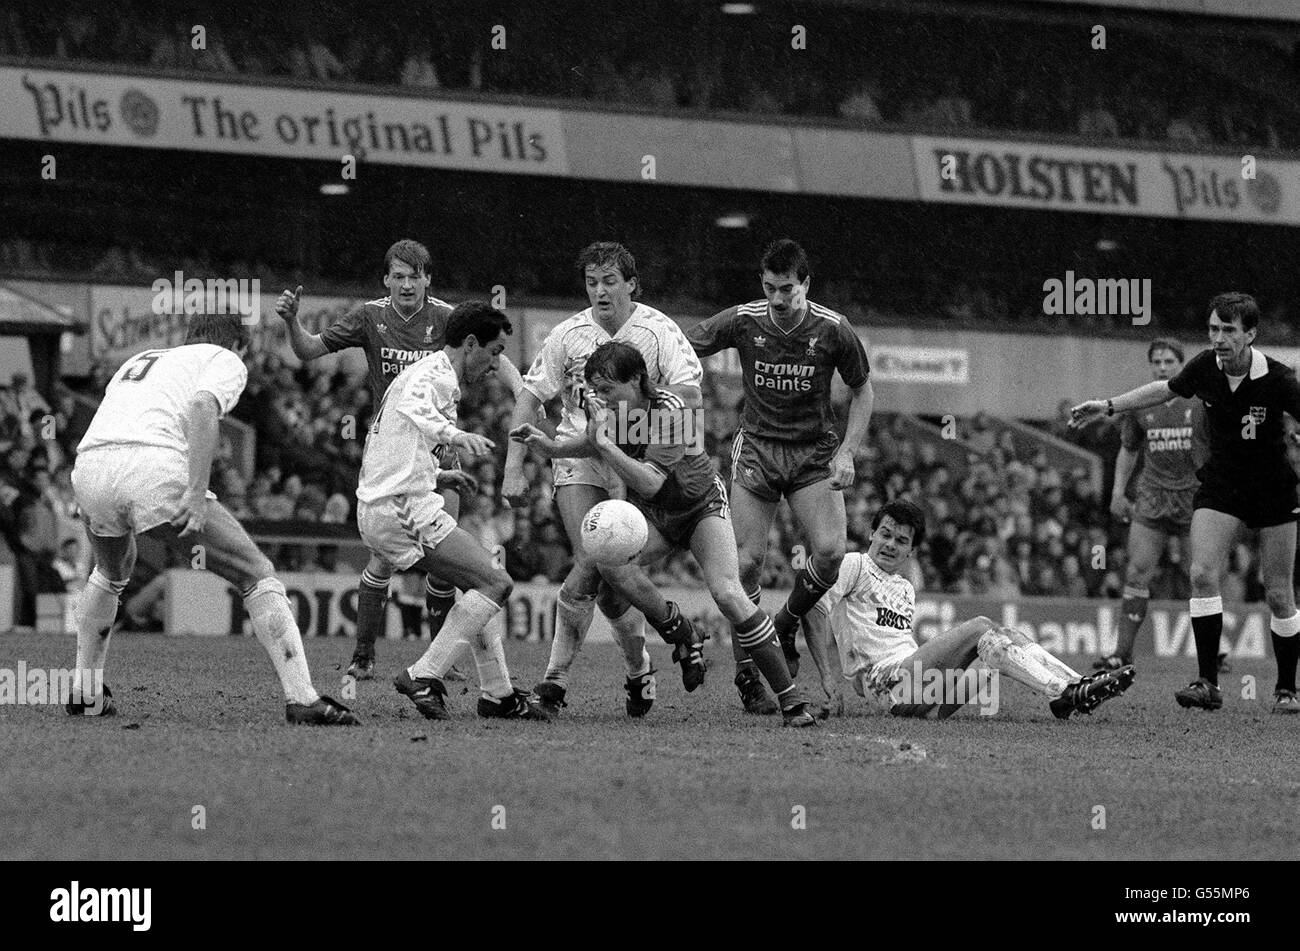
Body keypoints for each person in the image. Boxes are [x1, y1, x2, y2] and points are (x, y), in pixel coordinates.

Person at [66, 314, 358, 724]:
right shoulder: (223, 358)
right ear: (236, 345)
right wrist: (196, 494)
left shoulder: (142, 359)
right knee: (256, 571)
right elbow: (203, 406)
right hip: (152, 467)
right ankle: (302, 698)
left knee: (112, 570)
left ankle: (85, 691)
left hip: (91, 467)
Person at [513, 341, 817, 726]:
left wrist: (605, 445)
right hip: (656, 515)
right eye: (596, 390)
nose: (600, 398)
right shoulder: (612, 410)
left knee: (727, 592)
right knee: (609, 564)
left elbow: (652, 481)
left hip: (699, 506)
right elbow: (592, 443)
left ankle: (792, 702)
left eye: (607, 389)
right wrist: (551, 448)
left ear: (637, 380)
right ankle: (682, 632)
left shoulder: (674, 411)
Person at [273, 239, 517, 680]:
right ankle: (364, 655)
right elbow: (307, 351)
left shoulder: (447, 319)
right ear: (386, 280)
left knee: (446, 559)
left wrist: (524, 395)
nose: (407, 285)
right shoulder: (370, 317)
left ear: (428, 279)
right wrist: (292, 322)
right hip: (396, 449)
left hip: (440, 452)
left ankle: (440, 660)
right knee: (385, 557)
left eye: (415, 276)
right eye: (398, 276)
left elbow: (494, 348)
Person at [501, 242, 706, 718]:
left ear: (632, 284)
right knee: (592, 556)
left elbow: (689, 393)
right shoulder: (567, 335)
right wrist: (513, 466)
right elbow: (529, 397)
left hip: (635, 459)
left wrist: (651, 436)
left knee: (611, 583)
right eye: (592, 283)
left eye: (610, 281)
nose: (600, 292)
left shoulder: (658, 332)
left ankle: (640, 667)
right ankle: (555, 682)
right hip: (579, 456)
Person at [1072, 292, 1300, 714]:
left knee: (1279, 593)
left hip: (1274, 488)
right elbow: (1163, 390)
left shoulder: (1280, 379)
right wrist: (1107, 406)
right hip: (1222, 485)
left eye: (1228, 330)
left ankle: (1287, 688)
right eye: (1213, 329)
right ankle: (1207, 682)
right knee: (1201, 574)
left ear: (1250, 334)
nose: (1218, 338)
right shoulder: (1205, 367)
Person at [687, 239, 873, 714]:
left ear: (806, 284)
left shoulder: (833, 329)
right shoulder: (745, 319)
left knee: (830, 554)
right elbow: (684, 346)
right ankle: (747, 673)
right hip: (758, 450)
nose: (778, 298)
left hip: (813, 454)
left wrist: (848, 452)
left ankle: (786, 622)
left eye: (787, 288)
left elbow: (862, 390)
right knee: (745, 563)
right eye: (770, 287)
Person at [357, 301, 546, 721]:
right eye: (495, 352)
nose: (496, 364)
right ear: (471, 344)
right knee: (497, 583)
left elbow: (389, 439)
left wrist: (439, 476)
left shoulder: (423, 373)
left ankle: (497, 695)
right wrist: (457, 436)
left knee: (479, 583)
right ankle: (422, 675)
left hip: (394, 500)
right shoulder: (438, 377)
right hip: (400, 509)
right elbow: (417, 413)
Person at [802, 500, 1136, 720]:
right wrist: (831, 679)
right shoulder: (853, 564)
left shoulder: (905, 587)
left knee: (1000, 645)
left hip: (919, 694)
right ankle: (1067, 691)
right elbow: (814, 609)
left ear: (911, 551)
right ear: (872, 534)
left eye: (901, 541)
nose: (890, 544)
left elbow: (896, 641)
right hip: (884, 682)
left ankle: (1073, 689)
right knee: (980, 626)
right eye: (885, 535)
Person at [1093, 339, 1227, 673]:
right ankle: (1121, 653)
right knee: (1137, 571)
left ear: (1182, 365)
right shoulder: (1143, 402)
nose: (1162, 367)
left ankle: (1214, 652)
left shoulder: (1201, 400)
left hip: (1195, 499)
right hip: (1152, 497)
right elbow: (1129, 449)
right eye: (1157, 361)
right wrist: (1117, 492)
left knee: (1201, 576)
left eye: (1169, 361)